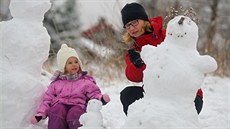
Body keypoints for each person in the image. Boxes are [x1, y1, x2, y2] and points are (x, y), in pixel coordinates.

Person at [119, 2, 203, 115]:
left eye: (135, 22)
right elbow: (132, 77)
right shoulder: (134, 51)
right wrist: (138, 65)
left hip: (187, 96)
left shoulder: (167, 35)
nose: (132, 28)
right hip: (157, 95)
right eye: (128, 25)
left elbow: (187, 57)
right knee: (128, 94)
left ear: (144, 20)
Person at [30, 44, 110, 129]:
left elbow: (94, 94)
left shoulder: (85, 81)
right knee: (56, 110)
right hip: (60, 107)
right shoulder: (56, 83)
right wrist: (41, 114)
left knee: (75, 113)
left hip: (78, 106)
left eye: (76, 62)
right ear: (63, 66)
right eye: (70, 63)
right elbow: (48, 100)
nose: (74, 64)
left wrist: (101, 99)